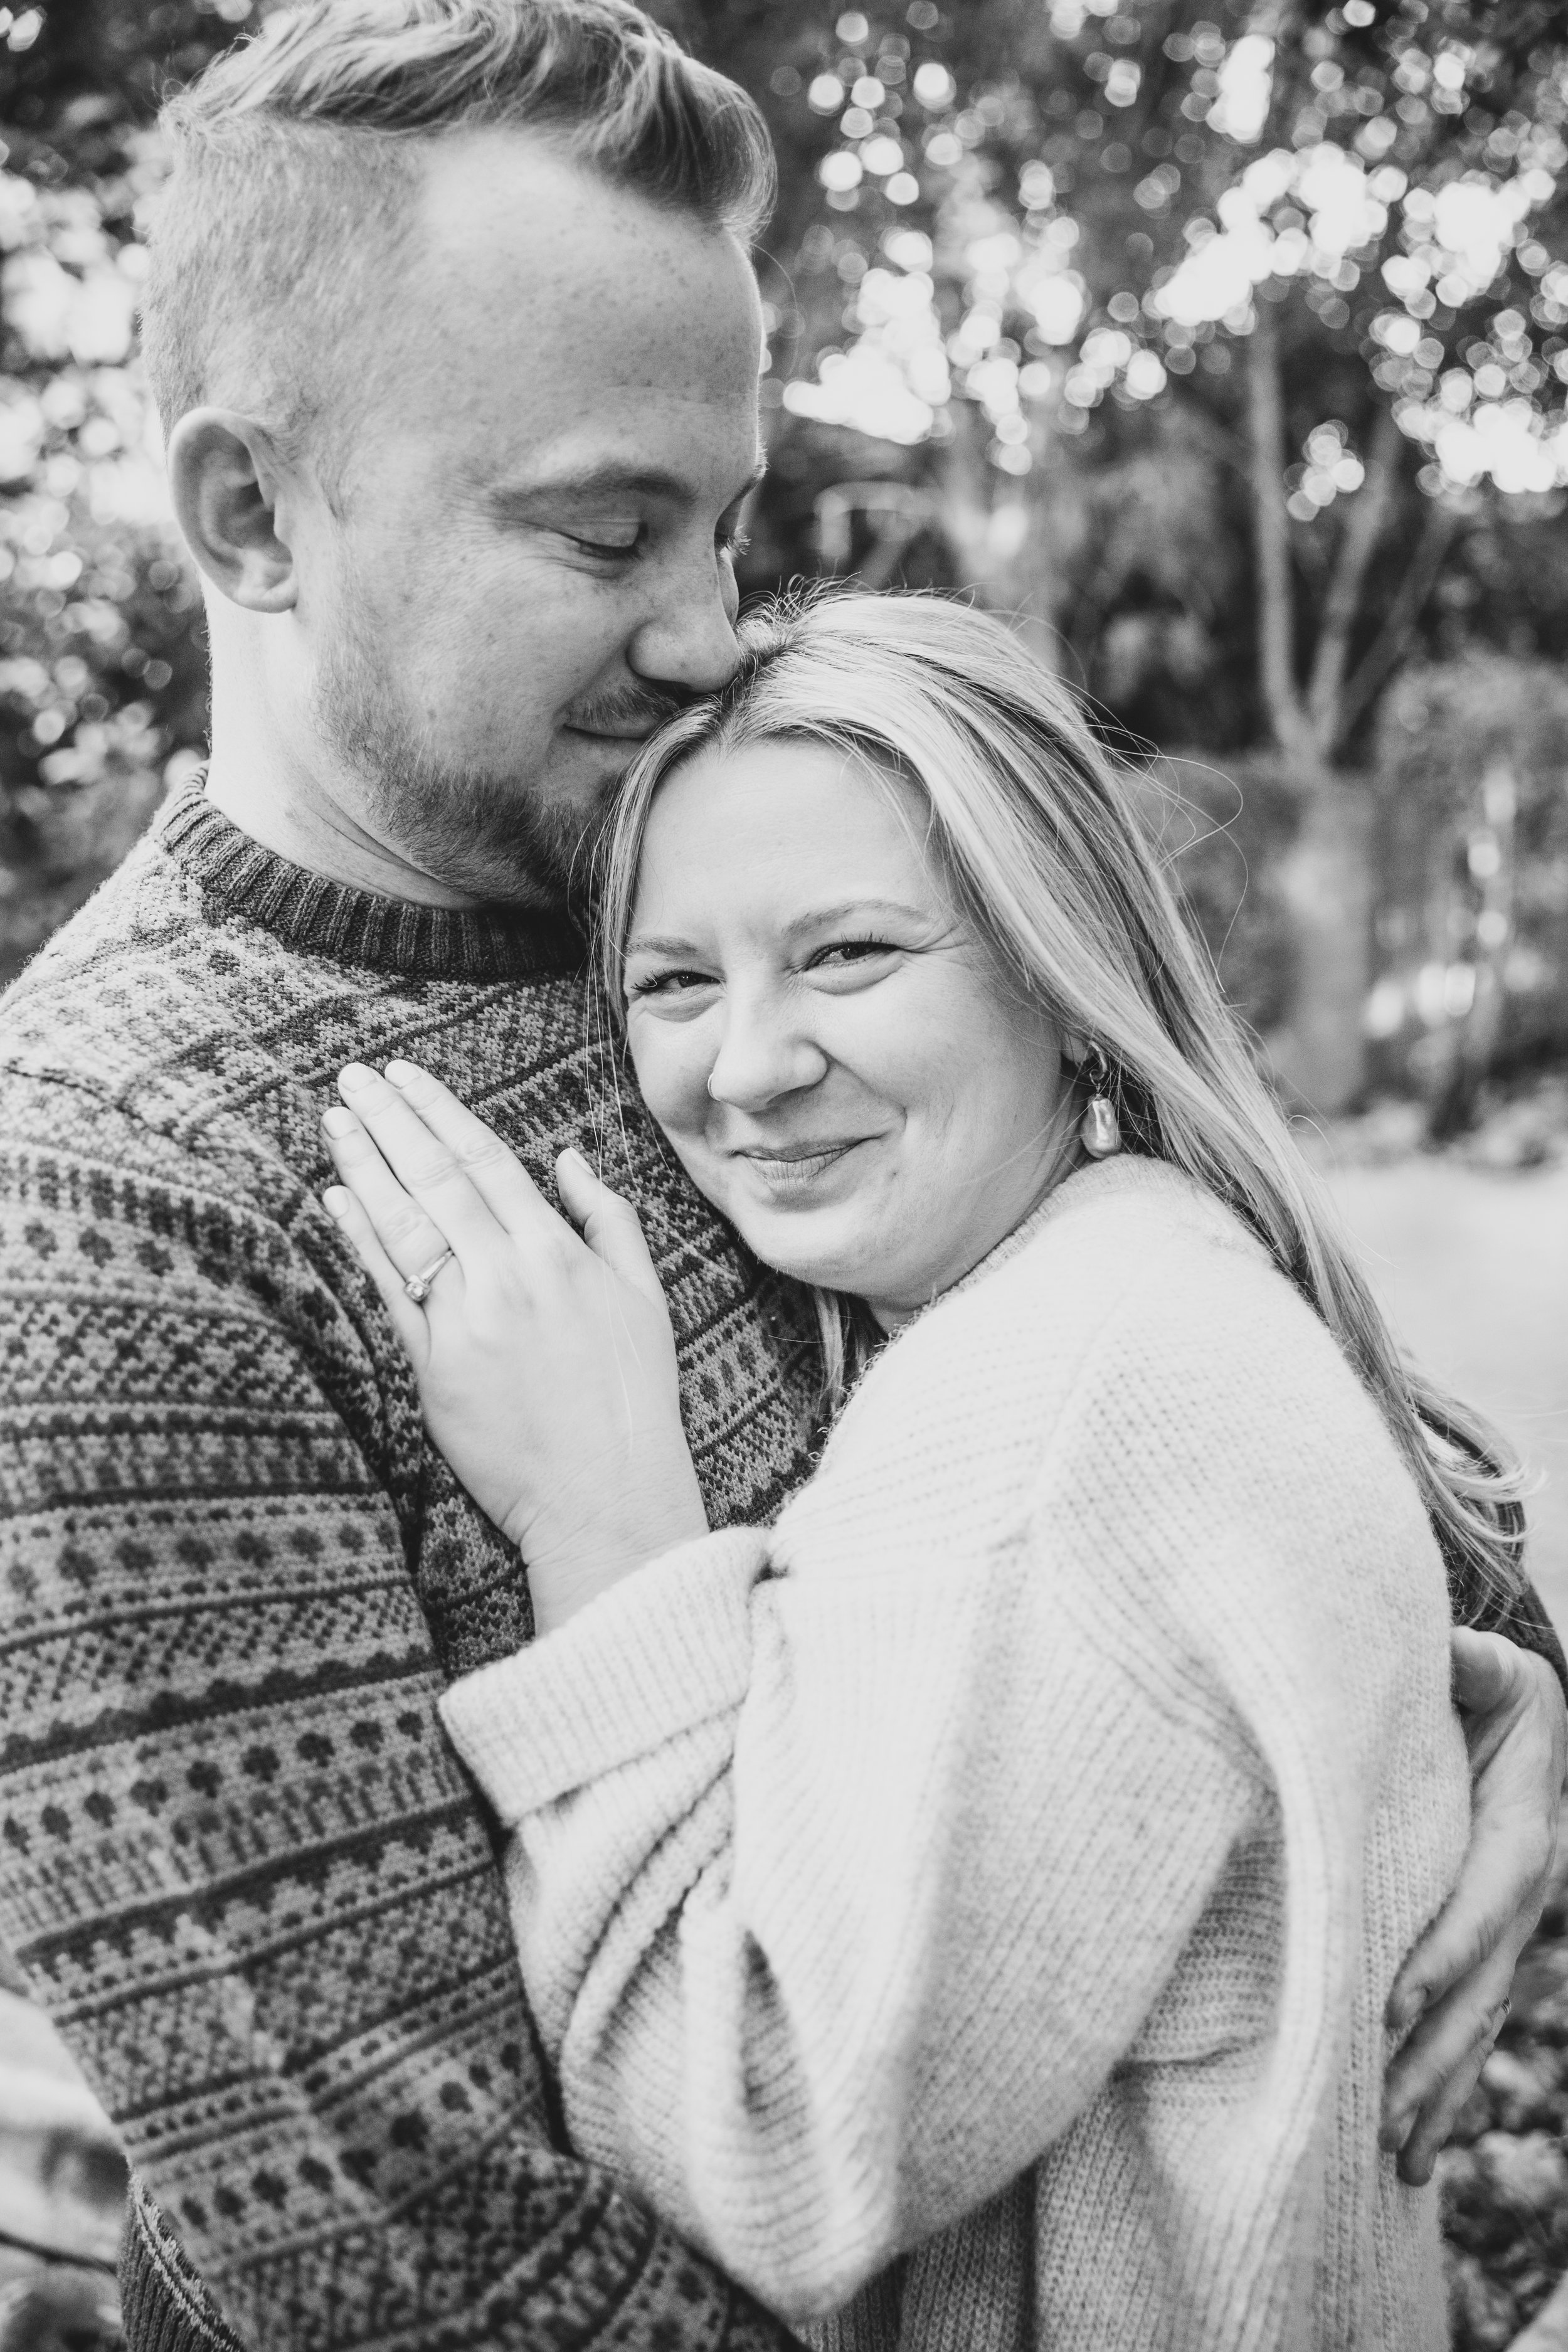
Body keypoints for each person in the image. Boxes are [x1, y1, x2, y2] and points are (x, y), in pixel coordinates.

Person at [0, 2, 1557, 2347]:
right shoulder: (109, 1207)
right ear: (247, 515)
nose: (709, 626)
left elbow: (1243, 1379)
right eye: (604, 529)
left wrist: (1477, 1701)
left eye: (725, 524)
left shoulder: (733, 908)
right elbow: (416, 2262)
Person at [318, 591, 1559, 2348]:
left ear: (1063, 978)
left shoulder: (1053, 1417)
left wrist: (597, 1524)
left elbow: (766, 2142)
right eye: (676, 981)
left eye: (847, 955)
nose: (744, 1067)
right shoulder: (1127, 1286)